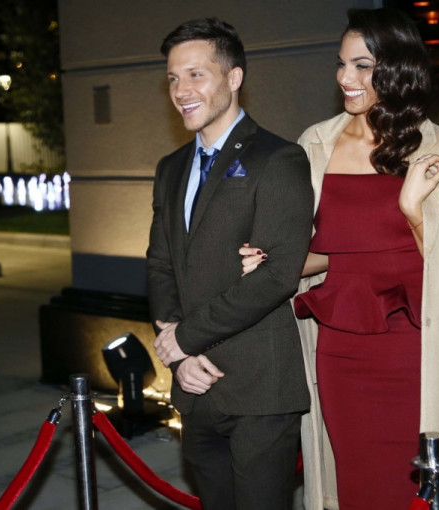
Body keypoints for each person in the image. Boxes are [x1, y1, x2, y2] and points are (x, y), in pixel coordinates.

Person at [240, 8, 439, 509]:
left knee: (419, 486)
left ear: (398, 69)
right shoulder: (315, 146)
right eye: (342, 63)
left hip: (419, 348)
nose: (346, 77)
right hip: (341, 348)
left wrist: (411, 209)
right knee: (356, 481)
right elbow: (327, 256)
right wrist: (270, 262)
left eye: (362, 65)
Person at [146, 17, 314, 510]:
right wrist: (179, 354)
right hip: (193, 385)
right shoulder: (170, 168)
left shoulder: (278, 159)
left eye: (196, 75)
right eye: (173, 78)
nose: (181, 90)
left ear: (234, 77)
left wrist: (185, 338)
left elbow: (277, 275)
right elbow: (160, 265)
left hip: (259, 387)